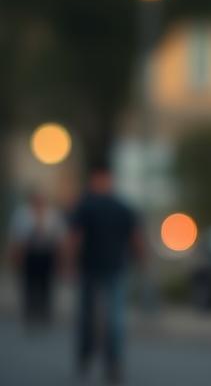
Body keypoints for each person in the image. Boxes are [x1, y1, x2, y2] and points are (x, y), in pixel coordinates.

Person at [64, 156, 146, 385]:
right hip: (94, 268)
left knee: (109, 320)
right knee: (95, 319)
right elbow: (74, 238)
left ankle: (105, 362)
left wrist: (140, 261)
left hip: (109, 268)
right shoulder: (92, 206)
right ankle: (96, 360)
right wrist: (69, 264)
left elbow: (135, 237)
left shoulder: (101, 206)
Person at [6, 186, 66, 330]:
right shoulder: (22, 214)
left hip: (46, 252)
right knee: (29, 285)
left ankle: (45, 313)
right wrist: (15, 256)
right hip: (29, 253)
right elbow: (16, 236)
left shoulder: (53, 214)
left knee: (46, 285)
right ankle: (30, 313)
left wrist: (61, 258)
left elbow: (60, 236)